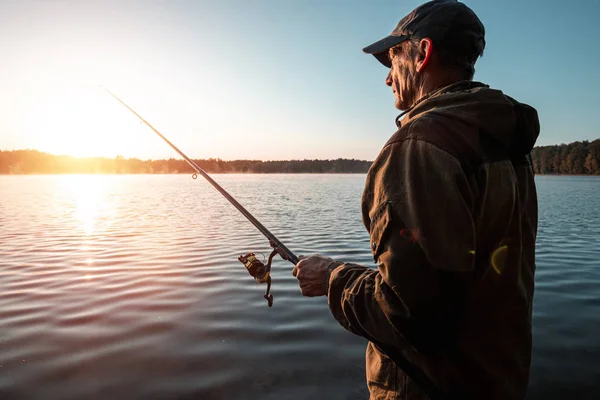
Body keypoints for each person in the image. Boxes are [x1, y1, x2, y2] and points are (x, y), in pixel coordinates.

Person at [292, 0, 540, 398]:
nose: (388, 78)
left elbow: (412, 315)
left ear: (423, 54)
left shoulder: (420, 146)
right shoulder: (506, 145)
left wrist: (332, 278)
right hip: (497, 379)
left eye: (393, 59)